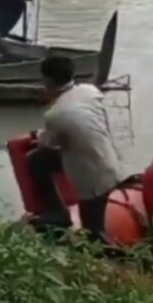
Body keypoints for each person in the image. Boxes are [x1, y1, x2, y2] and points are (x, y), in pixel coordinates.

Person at [26, 56, 123, 241]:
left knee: (93, 232)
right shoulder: (89, 90)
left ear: (48, 81)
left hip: (93, 180)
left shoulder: (55, 114)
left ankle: (110, 259)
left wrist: (40, 135)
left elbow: (47, 143)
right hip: (109, 161)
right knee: (38, 160)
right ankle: (57, 213)